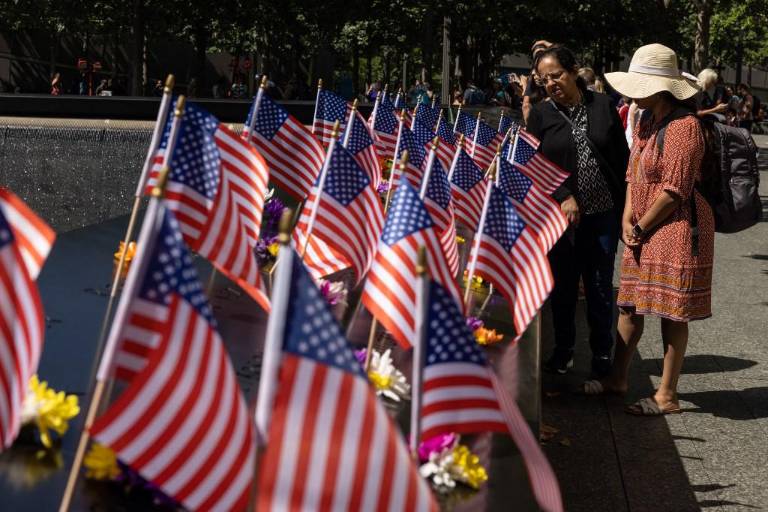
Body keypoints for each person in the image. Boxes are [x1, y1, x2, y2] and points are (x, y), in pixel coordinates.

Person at [584, 43, 714, 416]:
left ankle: (667, 395)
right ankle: (617, 378)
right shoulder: (644, 120)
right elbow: (632, 174)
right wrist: (628, 217)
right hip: (643, 224)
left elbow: (675, 190)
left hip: (677, 226)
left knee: (673, 312)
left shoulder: (685, 127)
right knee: (629, 304)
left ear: (661, 88)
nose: (633, 93)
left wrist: (639, 224)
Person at [525, 45, 629, 378]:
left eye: (556, 75)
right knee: (564, 288)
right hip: (561, 219)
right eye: (544, 80)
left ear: (572, 71)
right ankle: (564, 350)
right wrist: (563, 195)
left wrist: (627, 208)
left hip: (603, 215)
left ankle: (602, 354)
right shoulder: (541, 114)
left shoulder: (603, 106)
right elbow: (532, 163)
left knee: (599, 287)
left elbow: (622, 159)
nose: (551, 83)